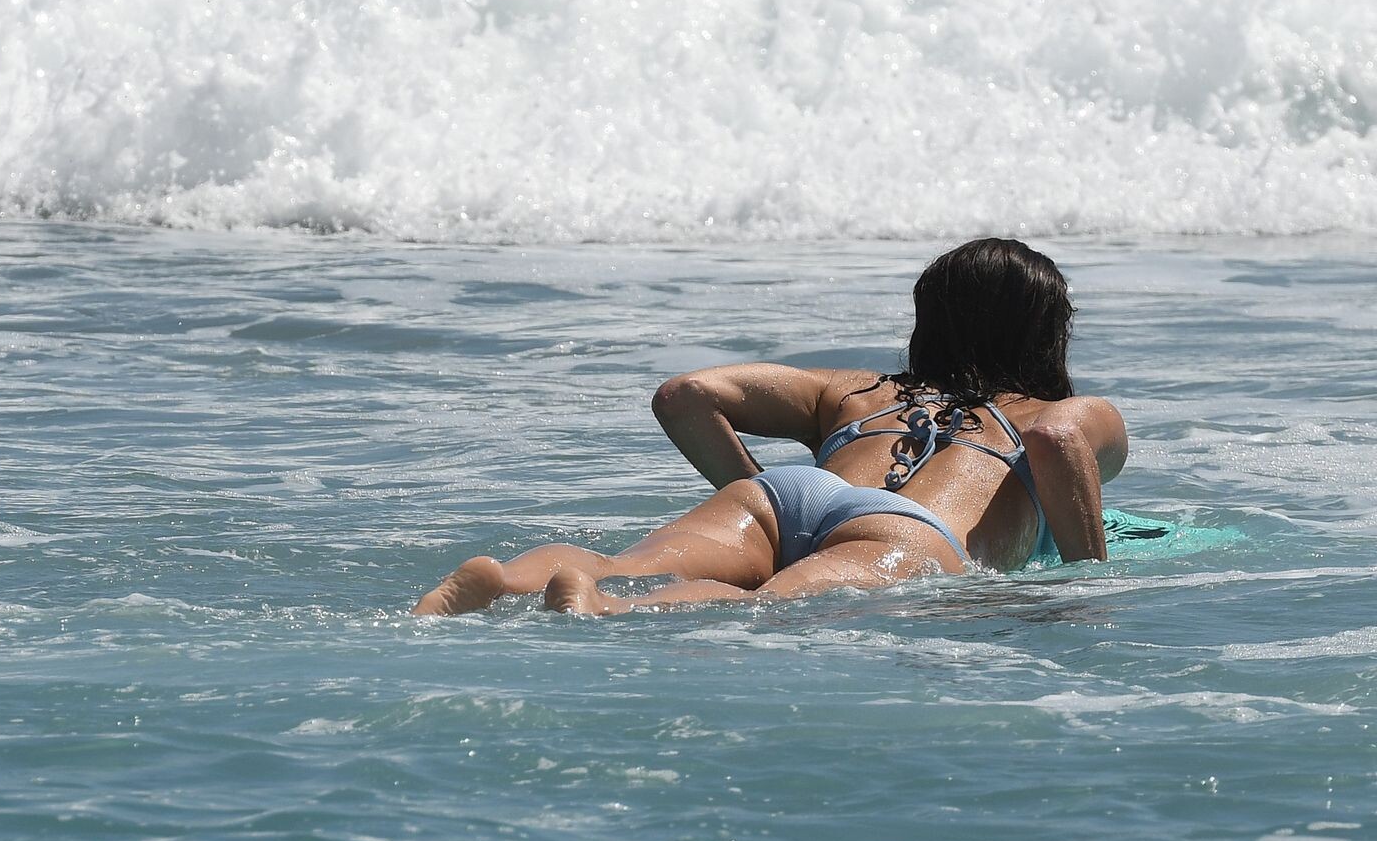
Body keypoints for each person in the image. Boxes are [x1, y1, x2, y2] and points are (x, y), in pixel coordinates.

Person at [412, 237, 1127, 616]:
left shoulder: (856, 390)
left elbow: (686, 394)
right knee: (767, 605)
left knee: (625, 562)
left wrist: (770, 500)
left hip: (783, 496)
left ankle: (504, 579)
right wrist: (1086, 584)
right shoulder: (1051, 411)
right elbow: (1056, 441)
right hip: (909, 534)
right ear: (1048, 334)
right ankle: (607, 611)